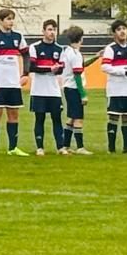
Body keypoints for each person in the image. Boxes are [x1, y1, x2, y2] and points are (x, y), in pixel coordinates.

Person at [0, 8, 29, 157]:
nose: (11, 22)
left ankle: (13, 148)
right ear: (0, 21)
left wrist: (25, 74)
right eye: (8, 19)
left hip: (13, 83)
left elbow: (26, 55)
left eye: (12, 19)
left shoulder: (18, 36)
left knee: (13, 114)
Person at [100, 19, 127, 154]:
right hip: (115, 89)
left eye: (124, 29)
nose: (122, 31)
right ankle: (111, 148)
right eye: (119, 29)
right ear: (114, 33)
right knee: (114, 116)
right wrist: (122, 71)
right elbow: (105, 66)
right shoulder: (111, 48)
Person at [26, 19, 65, 156]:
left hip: (54, 90)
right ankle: (40, 147)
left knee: (57, 119)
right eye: (49, 29)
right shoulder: (35, 47)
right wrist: (50, 68)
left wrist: (56, 70)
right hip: (39, 89)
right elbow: (32, 67)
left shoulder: (60, 49)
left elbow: (61, 69)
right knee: (40, 118)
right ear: (43, 31)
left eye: (54, 30)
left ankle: (60, 147)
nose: (52, 32)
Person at [60, 25, 92, 155]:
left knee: (71, 117)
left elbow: (80, 67)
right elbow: (77, 75)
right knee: (78, 118)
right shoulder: (76, 54)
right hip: (74, 88)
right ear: (81, 38)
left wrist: (96, 57)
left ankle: (65, 145)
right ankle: (80, 147)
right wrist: (83, 94)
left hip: (67, 86)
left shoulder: (67, 51)